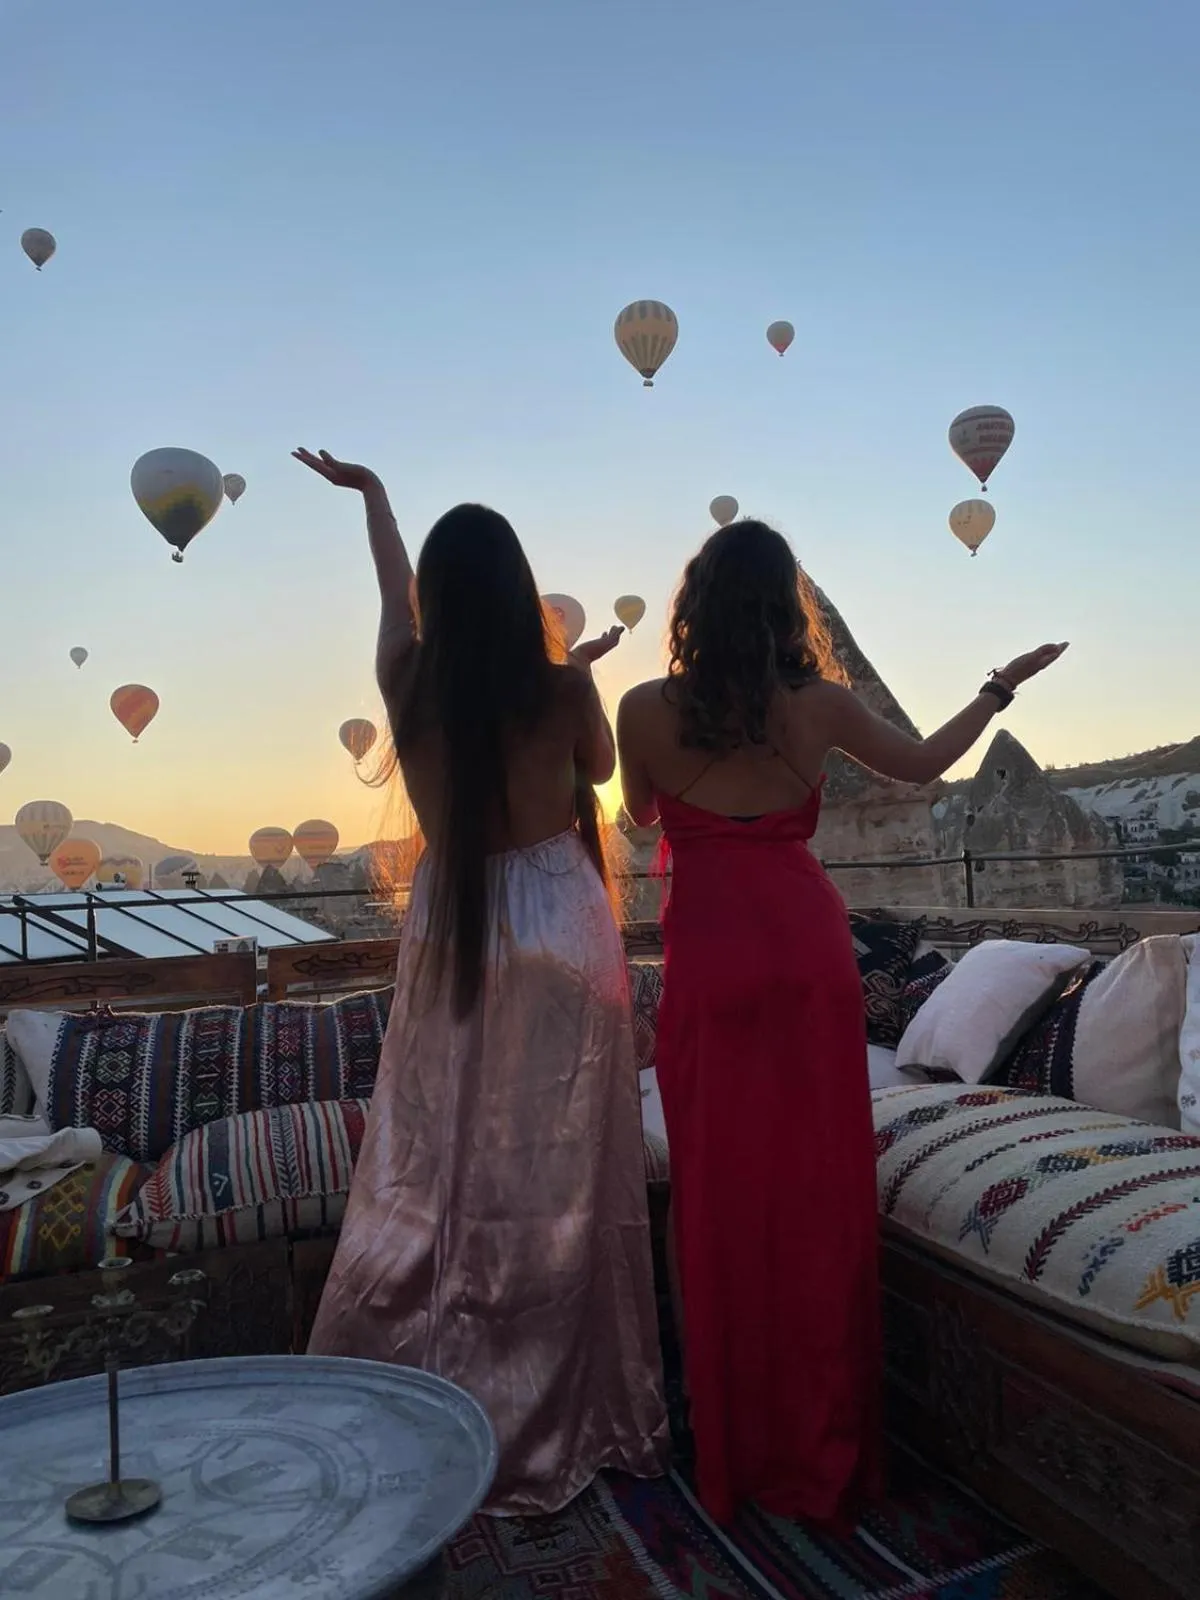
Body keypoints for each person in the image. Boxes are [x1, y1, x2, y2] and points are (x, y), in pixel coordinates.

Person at [616, 518, 1066, 1528]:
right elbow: (927, 764)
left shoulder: (642, 707)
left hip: (714, 958)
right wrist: (998, 688)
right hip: (807, 947)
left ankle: (733, 1438)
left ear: (694, 604)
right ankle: (825, 1439)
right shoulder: (819, 703)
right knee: (816, 1190)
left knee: (717, 1194)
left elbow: (641, 815)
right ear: (787, 606)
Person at [293, 448, 668, 1515]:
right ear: (520, 591)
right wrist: (582, 673)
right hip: (563, 923)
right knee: (570, 1172)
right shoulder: (560, 689)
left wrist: (374, 500)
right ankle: (561, 1401)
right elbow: (602, 771)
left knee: (447, 1154)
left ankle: (442, 1388)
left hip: (458, 924)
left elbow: (391, 592)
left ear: (439, 598)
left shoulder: (408, 681)